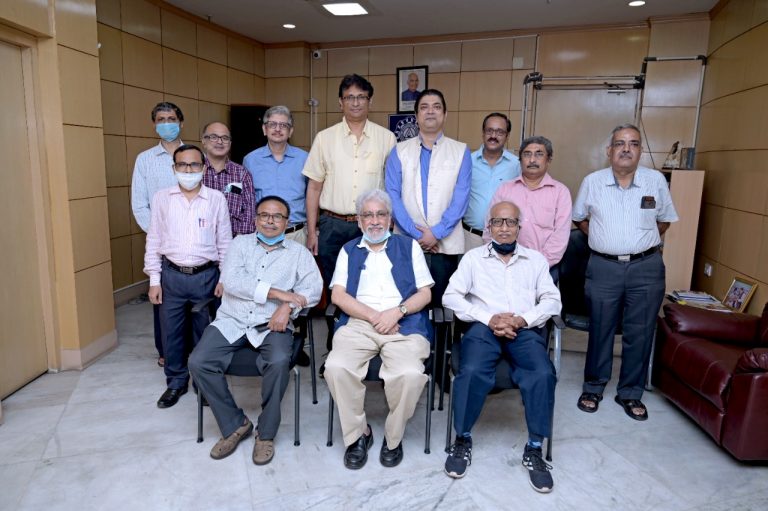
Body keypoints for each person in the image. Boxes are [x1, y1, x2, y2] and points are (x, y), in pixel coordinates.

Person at [189, 195, 322, 465]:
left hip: (270, 323)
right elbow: (232, 281)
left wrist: (288, 307)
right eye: (264, 215)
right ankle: (235, 424)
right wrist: (279, 294)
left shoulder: (299, 253)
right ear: (255, 219)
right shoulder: (239, 244)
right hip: (233, 320)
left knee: (279, 361)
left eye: (277, 216)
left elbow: (313, 290)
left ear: (287, 222)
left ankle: (266, 433)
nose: (270, 221)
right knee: (198, 361)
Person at [442, 201, 561, 492]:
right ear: (489, 226)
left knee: (543, 373)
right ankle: (463, 439)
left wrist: (522, 319)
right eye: (498, 222)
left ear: (519, 227)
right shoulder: (473, 259)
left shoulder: (535, 261)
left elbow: (552, 300)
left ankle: (534, 448)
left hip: (523, 329)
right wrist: (489, 318)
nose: (504, 228)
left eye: (510, 222)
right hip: (483, 328)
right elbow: (450, 297)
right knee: (471, 370)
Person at [572, 123, 678, 421]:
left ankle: (630, 392)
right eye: (620, 143)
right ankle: (593, 387)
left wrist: (638, 244)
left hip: (646, 267)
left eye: (633, 143)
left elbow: (664, 220)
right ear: (609, 151)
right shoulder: (592, 182)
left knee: (640, 332)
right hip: (603, 267)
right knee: (600, 328)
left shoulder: (655, 181)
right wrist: (603, 239)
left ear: (640, 150)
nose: (626, 149)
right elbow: (579, 218)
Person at [324, 189, 434, 470]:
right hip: (359, 323)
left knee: (410, 375)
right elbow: (338, 295)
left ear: (390, 219)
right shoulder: (349, 250)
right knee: (336, 367)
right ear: (359, 221)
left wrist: (397, 312)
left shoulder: (409, 247)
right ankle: (358, 433)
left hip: (404, 323)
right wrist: (375, 317)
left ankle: (393, 437)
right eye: (368, 215)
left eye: (381, 214)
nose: (374, 221)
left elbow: (425, 293)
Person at [144, 144, 231, 409]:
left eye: (194, 165)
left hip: (206, 276)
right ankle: (176, 381)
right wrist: (154, 280)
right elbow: (154, 239)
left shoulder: (216, 199)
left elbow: (225, 242)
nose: (188, 170)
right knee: (172, 333)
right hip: (171, 276)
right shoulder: (162, 198)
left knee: (205, 332)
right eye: (182, 165)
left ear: (204, 168)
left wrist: (224, 278)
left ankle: (203, 383)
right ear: (174, 168)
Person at [302, 74, 397, 289]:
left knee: (371, 284)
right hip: (332, 226)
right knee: (334, 285)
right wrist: (312, 232)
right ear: (340, 102)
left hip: (372, 224)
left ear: (370, 101)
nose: (355, 103)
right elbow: (314, 188)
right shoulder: (324, 138)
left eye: (361, 97)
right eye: (349, 97)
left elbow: (393, 187)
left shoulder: (387, 138)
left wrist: (390, 223)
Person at [385, 88, 471, 307]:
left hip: (445, 244)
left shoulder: (461, 151)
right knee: (407, 303)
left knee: (443, 304)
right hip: (407, 242)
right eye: (424, 107)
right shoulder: (398, 151)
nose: (430, 111)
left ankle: (441, 333)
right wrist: (418, 235)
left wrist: (436, 233)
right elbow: (393, 196)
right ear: (416, 116)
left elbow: (461, 198)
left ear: (445, 114)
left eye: (436, 107)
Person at [131, 101, 185, 368]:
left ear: (181, 122)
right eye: (161, 120)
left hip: (196, 242)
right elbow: (139, 205)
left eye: (171, 119)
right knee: (162, 298)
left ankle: (194, 350)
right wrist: (158, 236)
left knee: (195, 302)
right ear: (154, 124)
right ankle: (166, 350)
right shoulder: (145, 159)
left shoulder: (194, 154)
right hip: (161, 243)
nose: (167, 124)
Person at [485, 135, 571, 278]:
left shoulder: (560, 192)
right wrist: (500, 259)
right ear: (520, 160)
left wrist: (536, 265)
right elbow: (489, 227)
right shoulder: (505, 189)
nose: (532, 160)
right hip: (503, 265)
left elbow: (560, 237)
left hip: (544, 268)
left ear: (549, 159)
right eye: (527, 154)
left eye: (539, 154)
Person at [243, 106, 309, 244]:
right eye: (272, 124)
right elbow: (246, 200)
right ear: (264, 129)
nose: (278, 129)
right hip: (262, 234)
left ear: (290, 131)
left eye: (283, 125)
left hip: (296, 234)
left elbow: (312, 196)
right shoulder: (250, 160)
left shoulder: (305, 159)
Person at [463, 113, 521, 250]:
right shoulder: (467, 161)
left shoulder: (516, 165)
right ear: (483, 133)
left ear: (507, 136)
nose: (493, 136)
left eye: (500, 132)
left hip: (504, 238)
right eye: (489, 130)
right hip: (471, 237)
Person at [201, 121, 256, 236]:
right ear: (203, 141)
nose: (220, 142)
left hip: (233, 239)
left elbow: (249, 213)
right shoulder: (195, 170)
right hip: (199, 238)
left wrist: (238, 241)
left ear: (230, 143)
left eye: (225, 138)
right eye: (214, 137)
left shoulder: (242, 174)